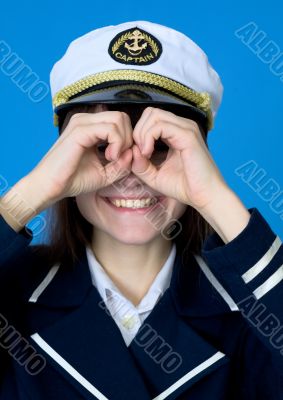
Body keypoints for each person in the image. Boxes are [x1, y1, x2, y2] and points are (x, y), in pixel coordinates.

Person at [0, 20, 282, 400]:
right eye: (101, 145)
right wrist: (33, 191)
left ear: (199, 155)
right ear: (64, 155)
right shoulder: (13, 293)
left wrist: (215, 197)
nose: (132, 172)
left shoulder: (254, 307)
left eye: (161, 144)